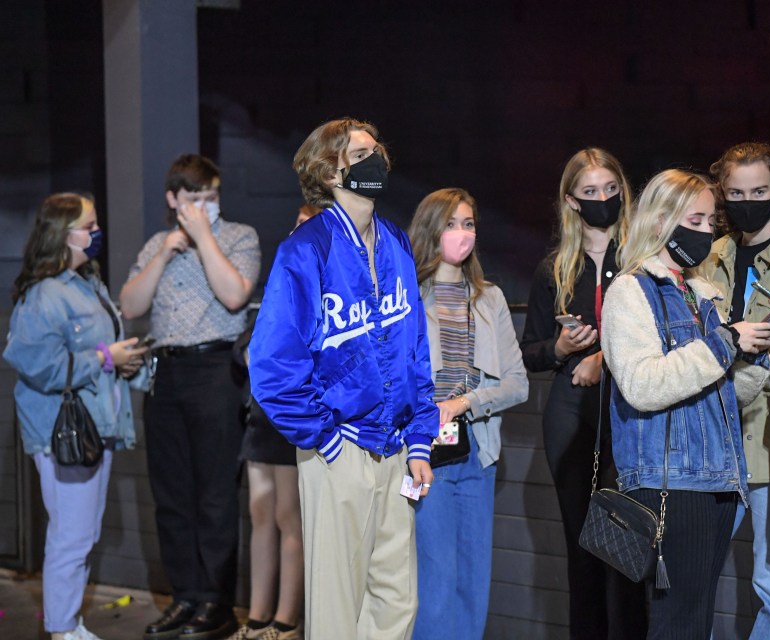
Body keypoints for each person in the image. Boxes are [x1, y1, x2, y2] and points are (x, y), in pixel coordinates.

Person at [247, 118, 439, 640]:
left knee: (397, 601)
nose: (375, 160)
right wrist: (325, 438)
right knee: (336, 610)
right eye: (360, 153)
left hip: (396, 447)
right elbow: (271, 368)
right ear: (331, 170)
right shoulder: (304, 250)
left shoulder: (397, 242)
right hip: (341, 448)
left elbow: (416, 354)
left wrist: (420, 440)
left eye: (377, 150)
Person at [601, 169, 770, 639]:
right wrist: (725, 344)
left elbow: (715, 393)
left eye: (709, 220)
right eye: (694, 219)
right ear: (660, 220)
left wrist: (752, 359)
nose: (706, 231)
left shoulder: (701, 294)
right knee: (678, 622)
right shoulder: (630, 291)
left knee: (695, 620)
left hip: (718, 478)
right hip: (670, 483)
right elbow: (642, 384)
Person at [120, 154, 261, 639]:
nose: (205, 206)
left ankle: (215, 604)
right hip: (167, 373)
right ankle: (183, 596)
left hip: (215, 369)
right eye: (195, 198)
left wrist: (203, 239)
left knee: (216, 495)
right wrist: (165, 253)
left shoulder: (238, 237)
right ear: (173, 200)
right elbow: (130, 305)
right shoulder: (158, 243)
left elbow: (235, 296)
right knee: (172, 496)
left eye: (212, 197)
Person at [4, 193, 147, 640]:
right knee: (71, 535)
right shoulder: (44, 294)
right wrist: (106, 357)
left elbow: (93, 351)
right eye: (90, 225)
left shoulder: (86, 283)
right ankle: (63, 630)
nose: (97, 232)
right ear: (63, 235)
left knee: (81, 533)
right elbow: (37, 364)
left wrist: (121, 360)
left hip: (94, 425)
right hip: (64, 431)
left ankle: (70, 624)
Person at [519, 148, 643, 639]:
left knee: (627, 542)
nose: (602, 200)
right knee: (582, 546)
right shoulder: (556, 268)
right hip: (571, 410)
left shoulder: (640, 258)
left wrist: (603, 357)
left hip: (628, 407)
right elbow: (530, 353)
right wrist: (561, 346)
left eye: (610, 190)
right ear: (571, 201)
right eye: (590, 192)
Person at [407, 188, 529, 640]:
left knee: (473, 580)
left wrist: (465, 402)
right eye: (452, 223)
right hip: (423, 453)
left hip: (478, 450)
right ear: (430, 229)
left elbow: (517, 383)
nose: (462, 233)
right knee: (434, 580)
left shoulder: (489, 297)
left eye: (469, 223)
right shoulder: (407, 294)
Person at [699, 142, 770, 639]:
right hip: (712, 434)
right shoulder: (711, 252)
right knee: (689, 572)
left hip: (769, 438)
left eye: (759, 191)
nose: (748, 201)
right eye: (736, 193)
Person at [228, 207, 316, 640]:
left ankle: (286, 622)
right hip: (261, 418)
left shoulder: (325, 288)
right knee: (259, 512)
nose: (296, 230)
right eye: (294, 222)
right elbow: (248, 345)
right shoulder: (281, 284)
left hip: (294, 419)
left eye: (306, 224)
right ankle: (257, 618)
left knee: (288, 516)